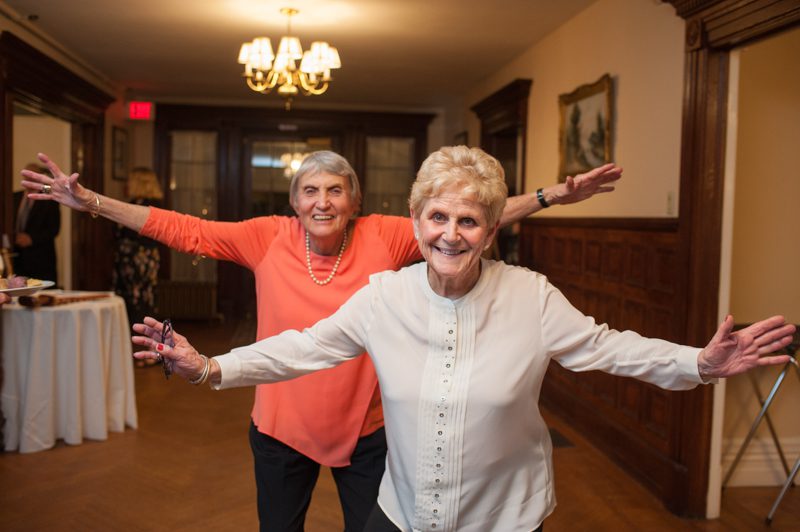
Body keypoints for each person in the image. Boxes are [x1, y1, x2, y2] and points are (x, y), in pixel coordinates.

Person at [131, 146, 795, 532]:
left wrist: (699, 363)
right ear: (415, 222)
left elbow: (611, 347)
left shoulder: (531, 297)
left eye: (469, 221)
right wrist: (208, 366)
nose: (450, 234)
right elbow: (301, 347)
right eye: (437, 217)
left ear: (491, 229)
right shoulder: (384, 297)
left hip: (503, 517)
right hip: (402, 512)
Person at [21, 149, 622, 531]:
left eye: (335, 189)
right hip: (280, 426)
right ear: (294, 202)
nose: (322, 201)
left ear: (355, 201)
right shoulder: (267, 236)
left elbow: (468, 214)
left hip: (368, 430)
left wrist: (551, 196)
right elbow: (183, 229)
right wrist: (88, 201)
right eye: (310, 190)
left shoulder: (387, 235)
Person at [112, 167, 164, 329]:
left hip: (141, 259)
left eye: (130, 180)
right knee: (130, 295)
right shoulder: (132, 203)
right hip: (128, 259)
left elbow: (140, 233)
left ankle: (141, 329)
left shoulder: (152, 207)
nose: (127, 184)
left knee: (141, 295)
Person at [12, 164, 60, 282]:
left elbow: (54, 229)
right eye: (26, 176)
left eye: (32, 176)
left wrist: (31, 239)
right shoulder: (14, 197)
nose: (29, 180)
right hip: (18, 258)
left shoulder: (49, 198)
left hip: (41, 259)